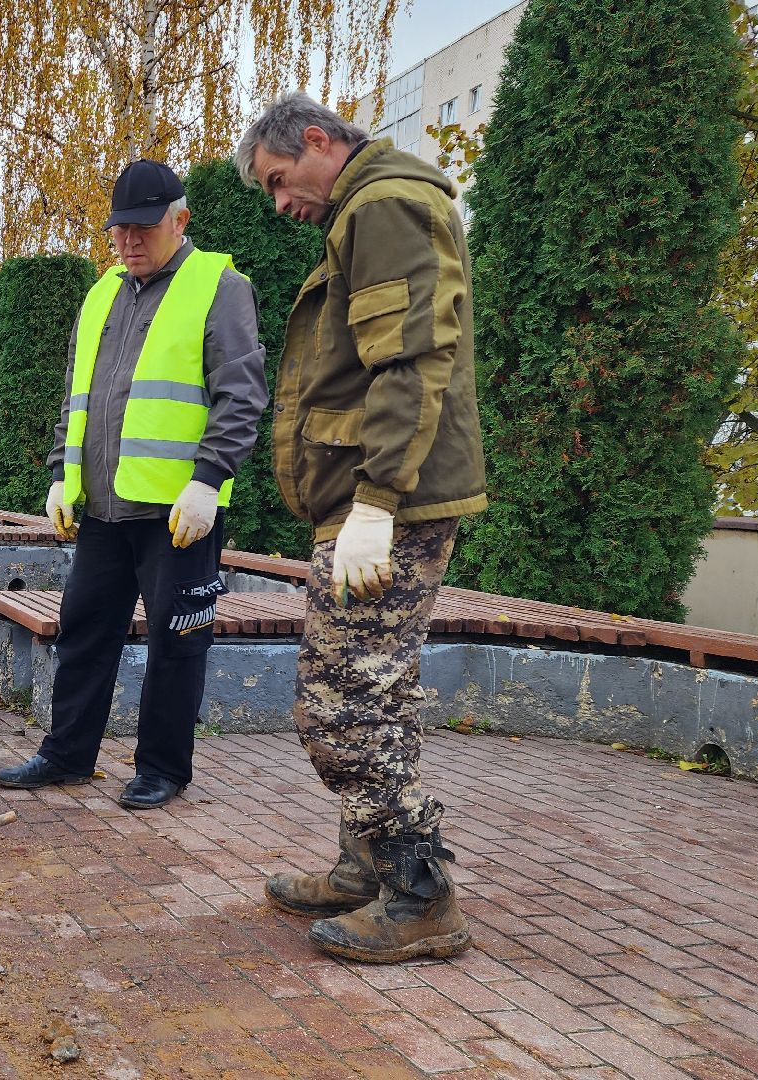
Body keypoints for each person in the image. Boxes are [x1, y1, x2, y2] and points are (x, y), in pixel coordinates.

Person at [236, 91, 487, 963]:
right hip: (370, 499)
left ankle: (420, 896)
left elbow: (410, 359)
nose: (280, 202)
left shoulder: (382, 205)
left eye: (278, 180)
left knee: (339, 706)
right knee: (369, 693)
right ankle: (370, 867)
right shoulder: (368, 208)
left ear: (316, 141)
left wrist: (377, 503)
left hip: (388, 502)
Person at [0, 158, 266, 811]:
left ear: (181, 220)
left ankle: (162, 769)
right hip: (105, 509)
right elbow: (76, 397)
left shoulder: (217, 285)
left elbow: (242, 395)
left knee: (177, 639)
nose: (129, 242)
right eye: (119, 231)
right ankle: (66, 755)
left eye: (143, 229)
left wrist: (209, 480)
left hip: (178, 511)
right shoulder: (102, 293)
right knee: (85, 629)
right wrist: (62, 473)